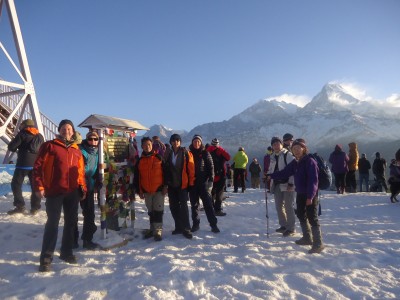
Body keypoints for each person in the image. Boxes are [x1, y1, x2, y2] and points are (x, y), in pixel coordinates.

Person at [33, 119, 86, 272]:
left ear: (73, 131)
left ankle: (66, 252)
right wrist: (39, 186)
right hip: (54, 191)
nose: (66, 131)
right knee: (52, 225)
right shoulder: (49, 146)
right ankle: (46, 259)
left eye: (69, 128)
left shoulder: (76, 150)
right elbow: (37, 167)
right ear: (59, 130)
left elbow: (80, 172)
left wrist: (82, 189)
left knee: (71, 223)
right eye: (64, 128)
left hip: (72, 192)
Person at [269, 138, 325, 254]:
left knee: (312, 217)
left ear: (304, 149)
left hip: (310, 195)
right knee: (300, 214)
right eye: (294, 149)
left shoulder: (310, 161)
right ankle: (307, 238)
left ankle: (318, 243)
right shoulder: (296, 162)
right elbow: (285, 172)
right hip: (300, 193)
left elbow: (313, 181)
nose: (296, 151)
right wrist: (271, 176)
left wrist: (310, 197)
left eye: (298, 148)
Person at [7, 119, 44, 215]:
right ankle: (35, 207)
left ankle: (20, 206)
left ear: (24, 125)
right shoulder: (40, 136)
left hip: (22, 164)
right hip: (35, 165)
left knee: (16, 184)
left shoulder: (23, 133)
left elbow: (11, 147)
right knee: (35, 186)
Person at [135, 137, 167, 241]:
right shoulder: (140, 161)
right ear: (142, 146)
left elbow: (166, 173)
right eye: (145, 145)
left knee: (158, 210)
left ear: (152, 145)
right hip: (146, 190)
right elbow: (138, 177)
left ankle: (158, 231)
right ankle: (152, 229)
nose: (147, 147)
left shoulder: (159, 158)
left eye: (149, 144)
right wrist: (139, 190)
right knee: (151, 211)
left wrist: (165, 186)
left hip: (158, 189)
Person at [164, 133, 194, 239]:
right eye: (173, 140)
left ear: (180, 142)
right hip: (172, 185)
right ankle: (178, 226)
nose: (175, 142)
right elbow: (165, 168)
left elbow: (191, 169)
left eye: (177, 140)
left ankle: (186, 228)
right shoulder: (168, 153)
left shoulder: (186, 153)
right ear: (171, 142)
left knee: (184, 208)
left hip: (183, 185)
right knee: (173, 207)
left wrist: (191, 184)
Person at [74, 131, 100, 249]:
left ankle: (87, 239)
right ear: (86, 139)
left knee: (89, 214)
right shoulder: (81, 151)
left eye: (95, 139)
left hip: (89, 186)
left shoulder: (98, 153)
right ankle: (73, 240)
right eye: (90, 139)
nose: (93, 141)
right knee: (73, 215)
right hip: (78, 186)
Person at [188, 135, 220, 233]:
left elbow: (211, 168)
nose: (196, 143)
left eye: (198, 141)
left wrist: (211, 181)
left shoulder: (206, 153)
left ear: (201, 142)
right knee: (194, 205)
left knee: (208, 205)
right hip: (193, 184)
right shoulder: (188, 154)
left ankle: (213, 225)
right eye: (195, 142)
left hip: (203, 183)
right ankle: (196, 224)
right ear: (192, 143)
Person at [268, 137, 296, 237]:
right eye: (274, 144)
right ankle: (283, 225)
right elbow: (271, 170)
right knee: (279, 206)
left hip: (287, 184)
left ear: (281, 144)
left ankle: (291, 228)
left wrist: (291, 183)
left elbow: (293, 169)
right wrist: (268, 176)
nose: (276, 146)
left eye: (277, 143)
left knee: (289, 206)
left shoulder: (287, 154)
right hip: (276, 184)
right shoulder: (272, 156)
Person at [207, 138, 231, 215]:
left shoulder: (207, 150)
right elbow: (228, 157)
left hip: (211, 175)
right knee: (219, 193)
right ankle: (217, 210)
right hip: (221, 175)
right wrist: (220, 148)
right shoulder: (220, 150)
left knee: (211, 192)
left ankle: (210, 207)